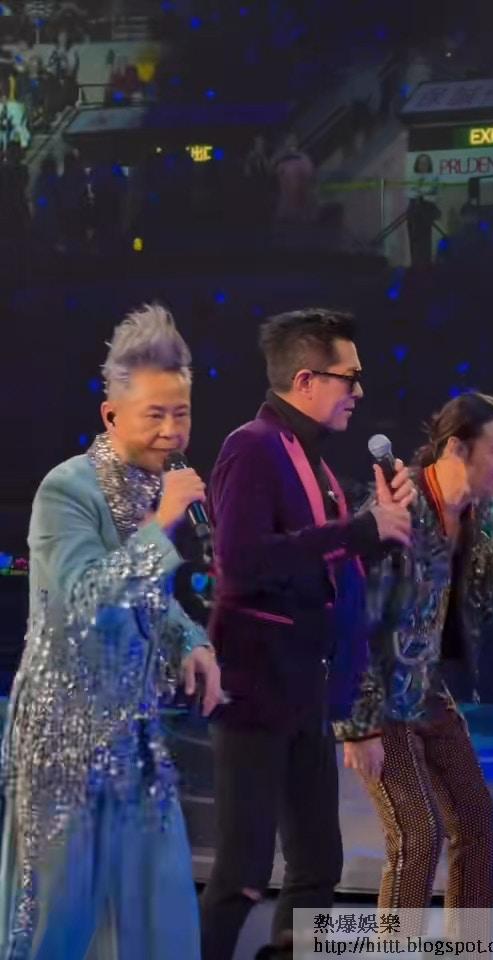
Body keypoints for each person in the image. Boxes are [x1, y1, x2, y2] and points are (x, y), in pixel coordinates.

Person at [0, 303, 223, 959]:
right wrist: (164, 524)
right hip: (63, 746)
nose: (171, 431)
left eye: (181, 413)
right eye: (155, 415)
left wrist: (191, 642)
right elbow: (86, 598)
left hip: (135, 740)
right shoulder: (65, 492)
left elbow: (151, 599)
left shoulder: (148, 490)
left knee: (161, 921)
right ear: (111, 415)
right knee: (57, 925)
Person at [200, 307, 415, 960]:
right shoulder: (251, 447)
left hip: (308, 693)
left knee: (318, 864)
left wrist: (380, 532)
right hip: (257, 688)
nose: (359, 391)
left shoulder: (311, 463)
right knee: (242, 870)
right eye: (349, 377)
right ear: (305, 379)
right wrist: (359, 530)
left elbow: (322, 567)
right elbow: (241, 563)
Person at [338, 393, 493, 916]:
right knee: (417, 834)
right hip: (377, 690)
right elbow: (355, 614)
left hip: (425, 688)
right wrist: (359, 726)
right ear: (456, 447)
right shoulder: (401, 503)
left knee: (478, 822)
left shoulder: (482, 512)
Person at [407, 152, 440, 266]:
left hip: (427, 210)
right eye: (421, 163)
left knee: (426, 241)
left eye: (425, 163)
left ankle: (426, 264)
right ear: (417, 164)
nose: (423, 165)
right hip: (413, 211)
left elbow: (433, 194)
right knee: (414, 240)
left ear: (429, 164)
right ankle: (415, 264)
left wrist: (420, 192)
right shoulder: (411, 177)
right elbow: (409, 193)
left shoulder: (434, 177)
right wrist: (422, 192)